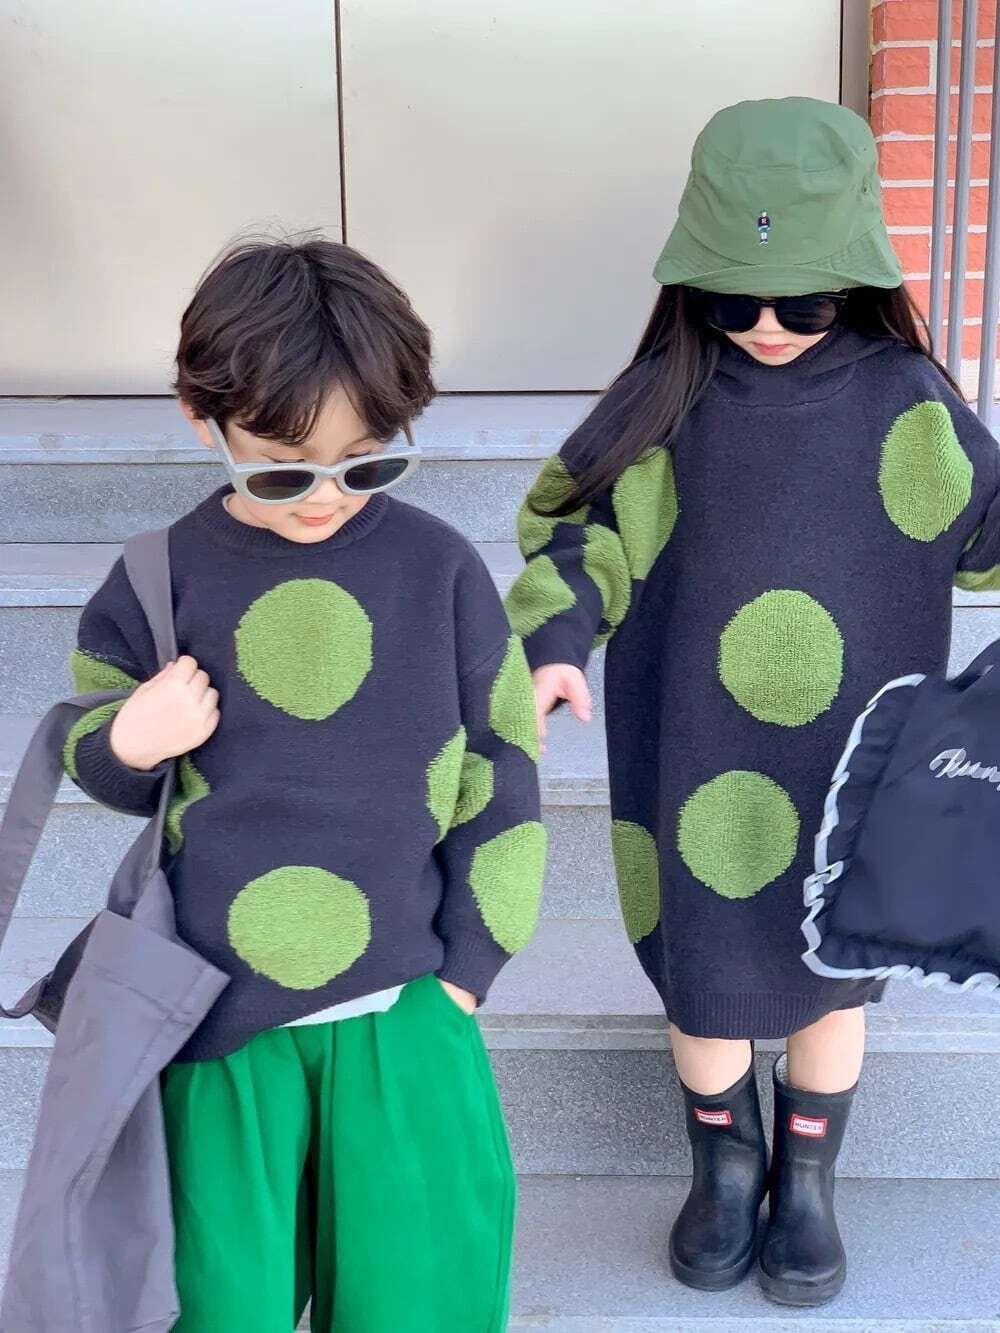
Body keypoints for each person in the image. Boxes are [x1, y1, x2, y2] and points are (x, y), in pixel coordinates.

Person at [505, 97, 1000, 1306]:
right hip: (693, 748)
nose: (767, 327)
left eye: (805, 303)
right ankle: (723, 1165)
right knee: (708, 966)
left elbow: (986, 531)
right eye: (734, 303)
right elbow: (574, 538)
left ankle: (808, 1176)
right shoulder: (659, 403)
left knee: (830, 976)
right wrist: (555, 642)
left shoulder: (909, 401)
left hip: (851, 761)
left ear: (859, 284)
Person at [63, 237, 545, 1332]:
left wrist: (467, 973)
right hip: (216, 1021)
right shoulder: (155, 581)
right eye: (284, 467)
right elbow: (103, 759)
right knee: (219, 1302)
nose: (326, 496)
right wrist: (131, 739)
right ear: (204, 418)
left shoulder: (438, 567)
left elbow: (501, 770)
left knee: (420, 1298)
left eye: (365, 463)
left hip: (403, 1009)